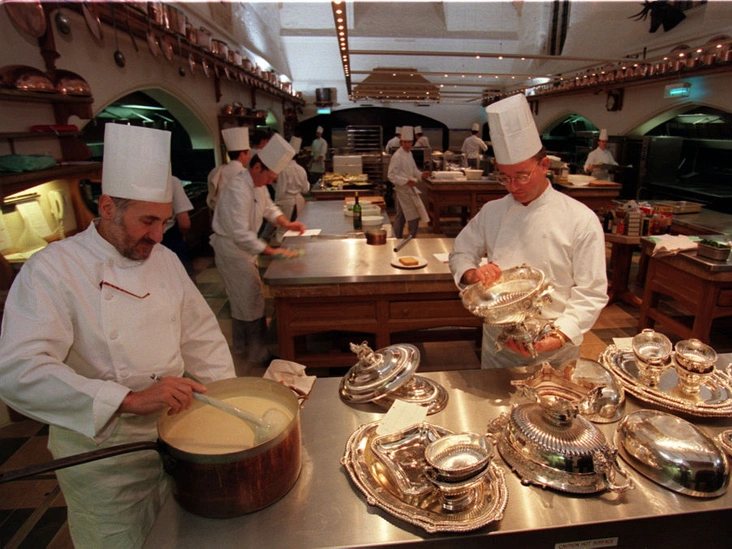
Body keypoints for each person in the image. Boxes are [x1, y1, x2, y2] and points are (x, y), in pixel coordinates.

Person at [0, 123, 235, 548]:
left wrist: (229, 406)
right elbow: (20, 371)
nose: (158, 235)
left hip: (176, 436)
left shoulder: (164, 259)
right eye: (147, 221)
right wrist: (126, 400)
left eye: (164, 221)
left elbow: (201, 338)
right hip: (102, 458)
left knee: (182, 535)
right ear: (107, 207)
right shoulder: (52, 269)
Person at [449, 94, 608, 369]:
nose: (513, 186)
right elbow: (460, 252)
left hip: (555, 343)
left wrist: (560, 335)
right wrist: (473, 274)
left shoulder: (580, 219)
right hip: (498, 341)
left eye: (522, 176)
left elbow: (591, 292)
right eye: (504, 177)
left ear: (544, 165)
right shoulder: (493, 211)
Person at [210, 133, 306, 372]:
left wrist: (285, 222)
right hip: (232, 250)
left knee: (245, 300)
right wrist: (271, 251)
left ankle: (245, 349)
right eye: (269, 177)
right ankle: (253, 354)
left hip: (242, 250)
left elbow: (269, 208)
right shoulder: (237, 189)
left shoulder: (257, 185)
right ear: (256, 167)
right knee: (248, 300)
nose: (269, 182)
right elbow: (241, 234)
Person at [387, 125, 431, 239]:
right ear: (401, 142)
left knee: (403, 214)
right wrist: (406, 181)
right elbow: (391, 176)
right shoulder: (397, 156)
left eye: (409, 142)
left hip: (409, 188)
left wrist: (421, 174)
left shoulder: (409, 153)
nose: (407, 145)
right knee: (412, 214)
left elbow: (413, 169)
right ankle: (409, 238)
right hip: (403, 190)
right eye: (405, 142)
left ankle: (400, 237)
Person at [206, 126, 251, 210]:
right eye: (248, 153)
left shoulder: (216, 171)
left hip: (219, 214)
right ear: (242, 154)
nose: (249, 157)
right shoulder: (245, 174)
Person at [162, 175, 195, 280]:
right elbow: (184, 223)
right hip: (171, 240)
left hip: (141, 241)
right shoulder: (171, 181)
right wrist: (183, 235)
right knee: (182, 280)